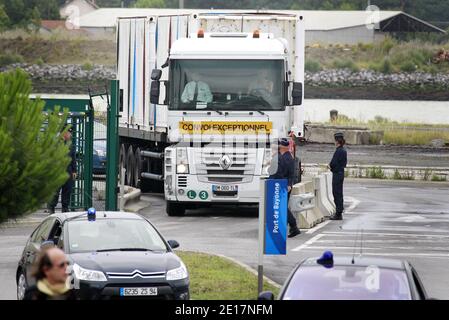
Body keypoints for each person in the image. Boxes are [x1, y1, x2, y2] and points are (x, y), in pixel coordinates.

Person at [268, 138, 301, 238]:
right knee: (282, 207)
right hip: (285, 185)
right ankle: (289, 227)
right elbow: (291, 173)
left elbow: (279, 172)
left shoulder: (284, 158)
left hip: (282, 185)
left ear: (281, 147)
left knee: (281, 208)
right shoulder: (288, 156)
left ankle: (293, 225)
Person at [48, 127, 77, 214]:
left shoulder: (70, 144)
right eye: (69, 133)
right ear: (64, 133)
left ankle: (65, 208)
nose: (70, 135)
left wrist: (74, 170)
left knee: (67, 190)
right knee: (55, 191)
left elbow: (73, 158)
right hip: (58, 171)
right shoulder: (56, 143)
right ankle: (51, 208)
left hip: (68, 171)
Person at [328, 132, 347, 220]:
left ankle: (338, 213)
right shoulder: (343, 150)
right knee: (339, 193)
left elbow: (333, 163)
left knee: (336, 193)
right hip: (341, 173)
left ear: (337, 141)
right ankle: (339, 211)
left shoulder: (338, 151)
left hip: (337, 174)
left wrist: (330, 166)